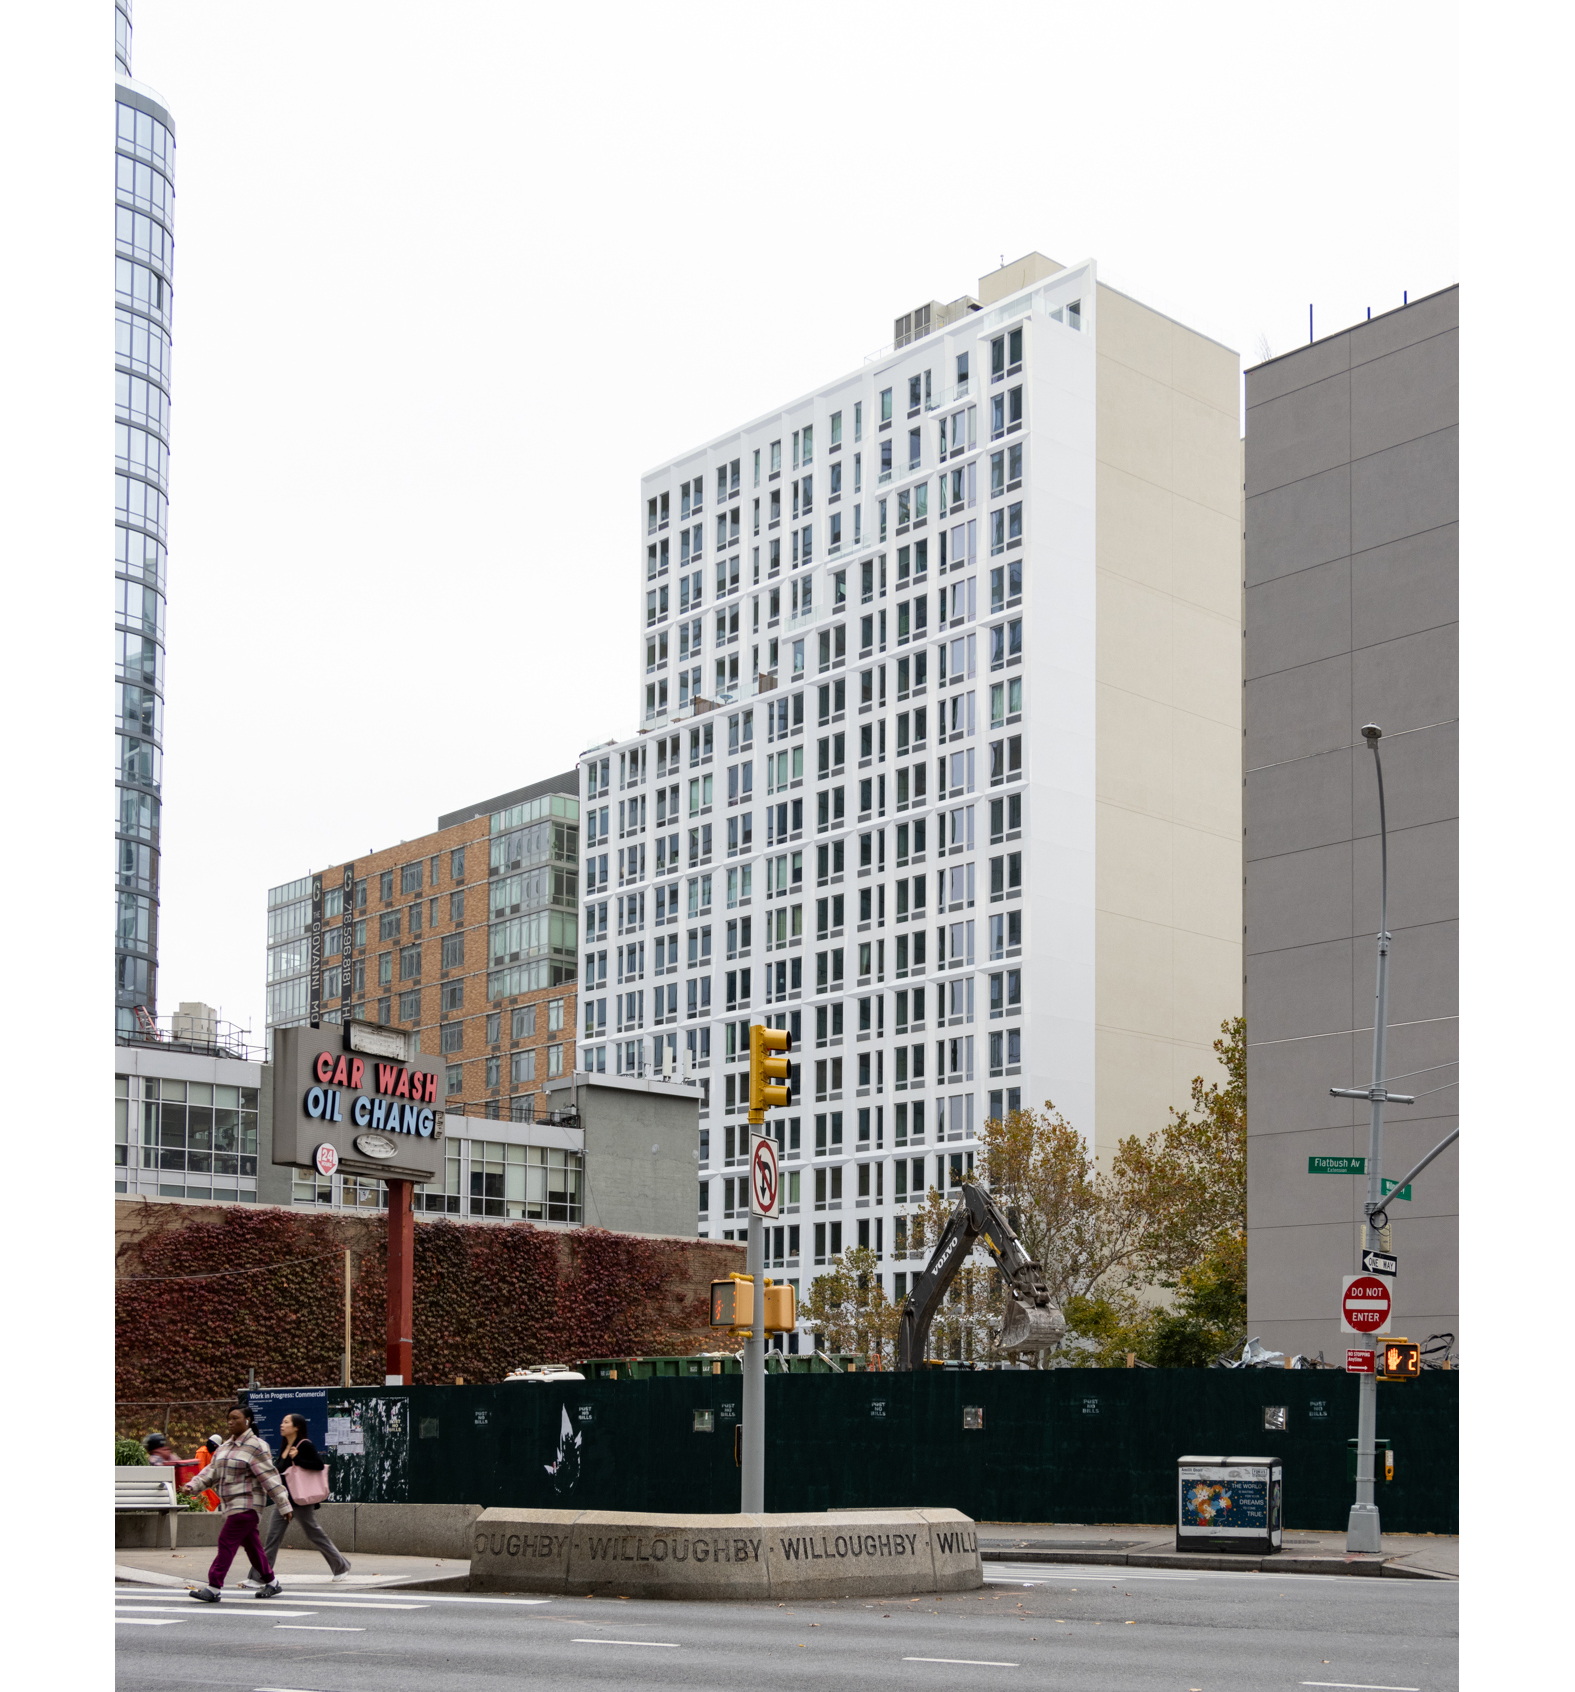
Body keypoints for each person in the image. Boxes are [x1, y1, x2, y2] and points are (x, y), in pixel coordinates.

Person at [180, 1404, 293, 1602]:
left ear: (248, 1421)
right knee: (252, 1547)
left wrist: (283, 1504)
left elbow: (270, 1477)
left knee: (226, 1541)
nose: (230, 1422)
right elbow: (211, 1472)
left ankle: (214, 1587)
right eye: (229, 1418)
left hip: (248, 1505)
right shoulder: (224, 1448)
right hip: (231, 1507)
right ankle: (272, 1583)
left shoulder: (257, 1446)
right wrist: (192, 1485)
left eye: (236, 1418)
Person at [245, 1413, 351, 1585]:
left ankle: (341, 1566)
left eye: (286, 1422)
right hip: (285, 1501)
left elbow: (318, 1465)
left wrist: (298, 1458)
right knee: (273, 1537)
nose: (282, 1425)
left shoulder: (305, 1445)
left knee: (314, 1534)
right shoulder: (285, 1446)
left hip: (301, 1501)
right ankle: (259, 1576)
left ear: (296, 1427)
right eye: (282, 1421)